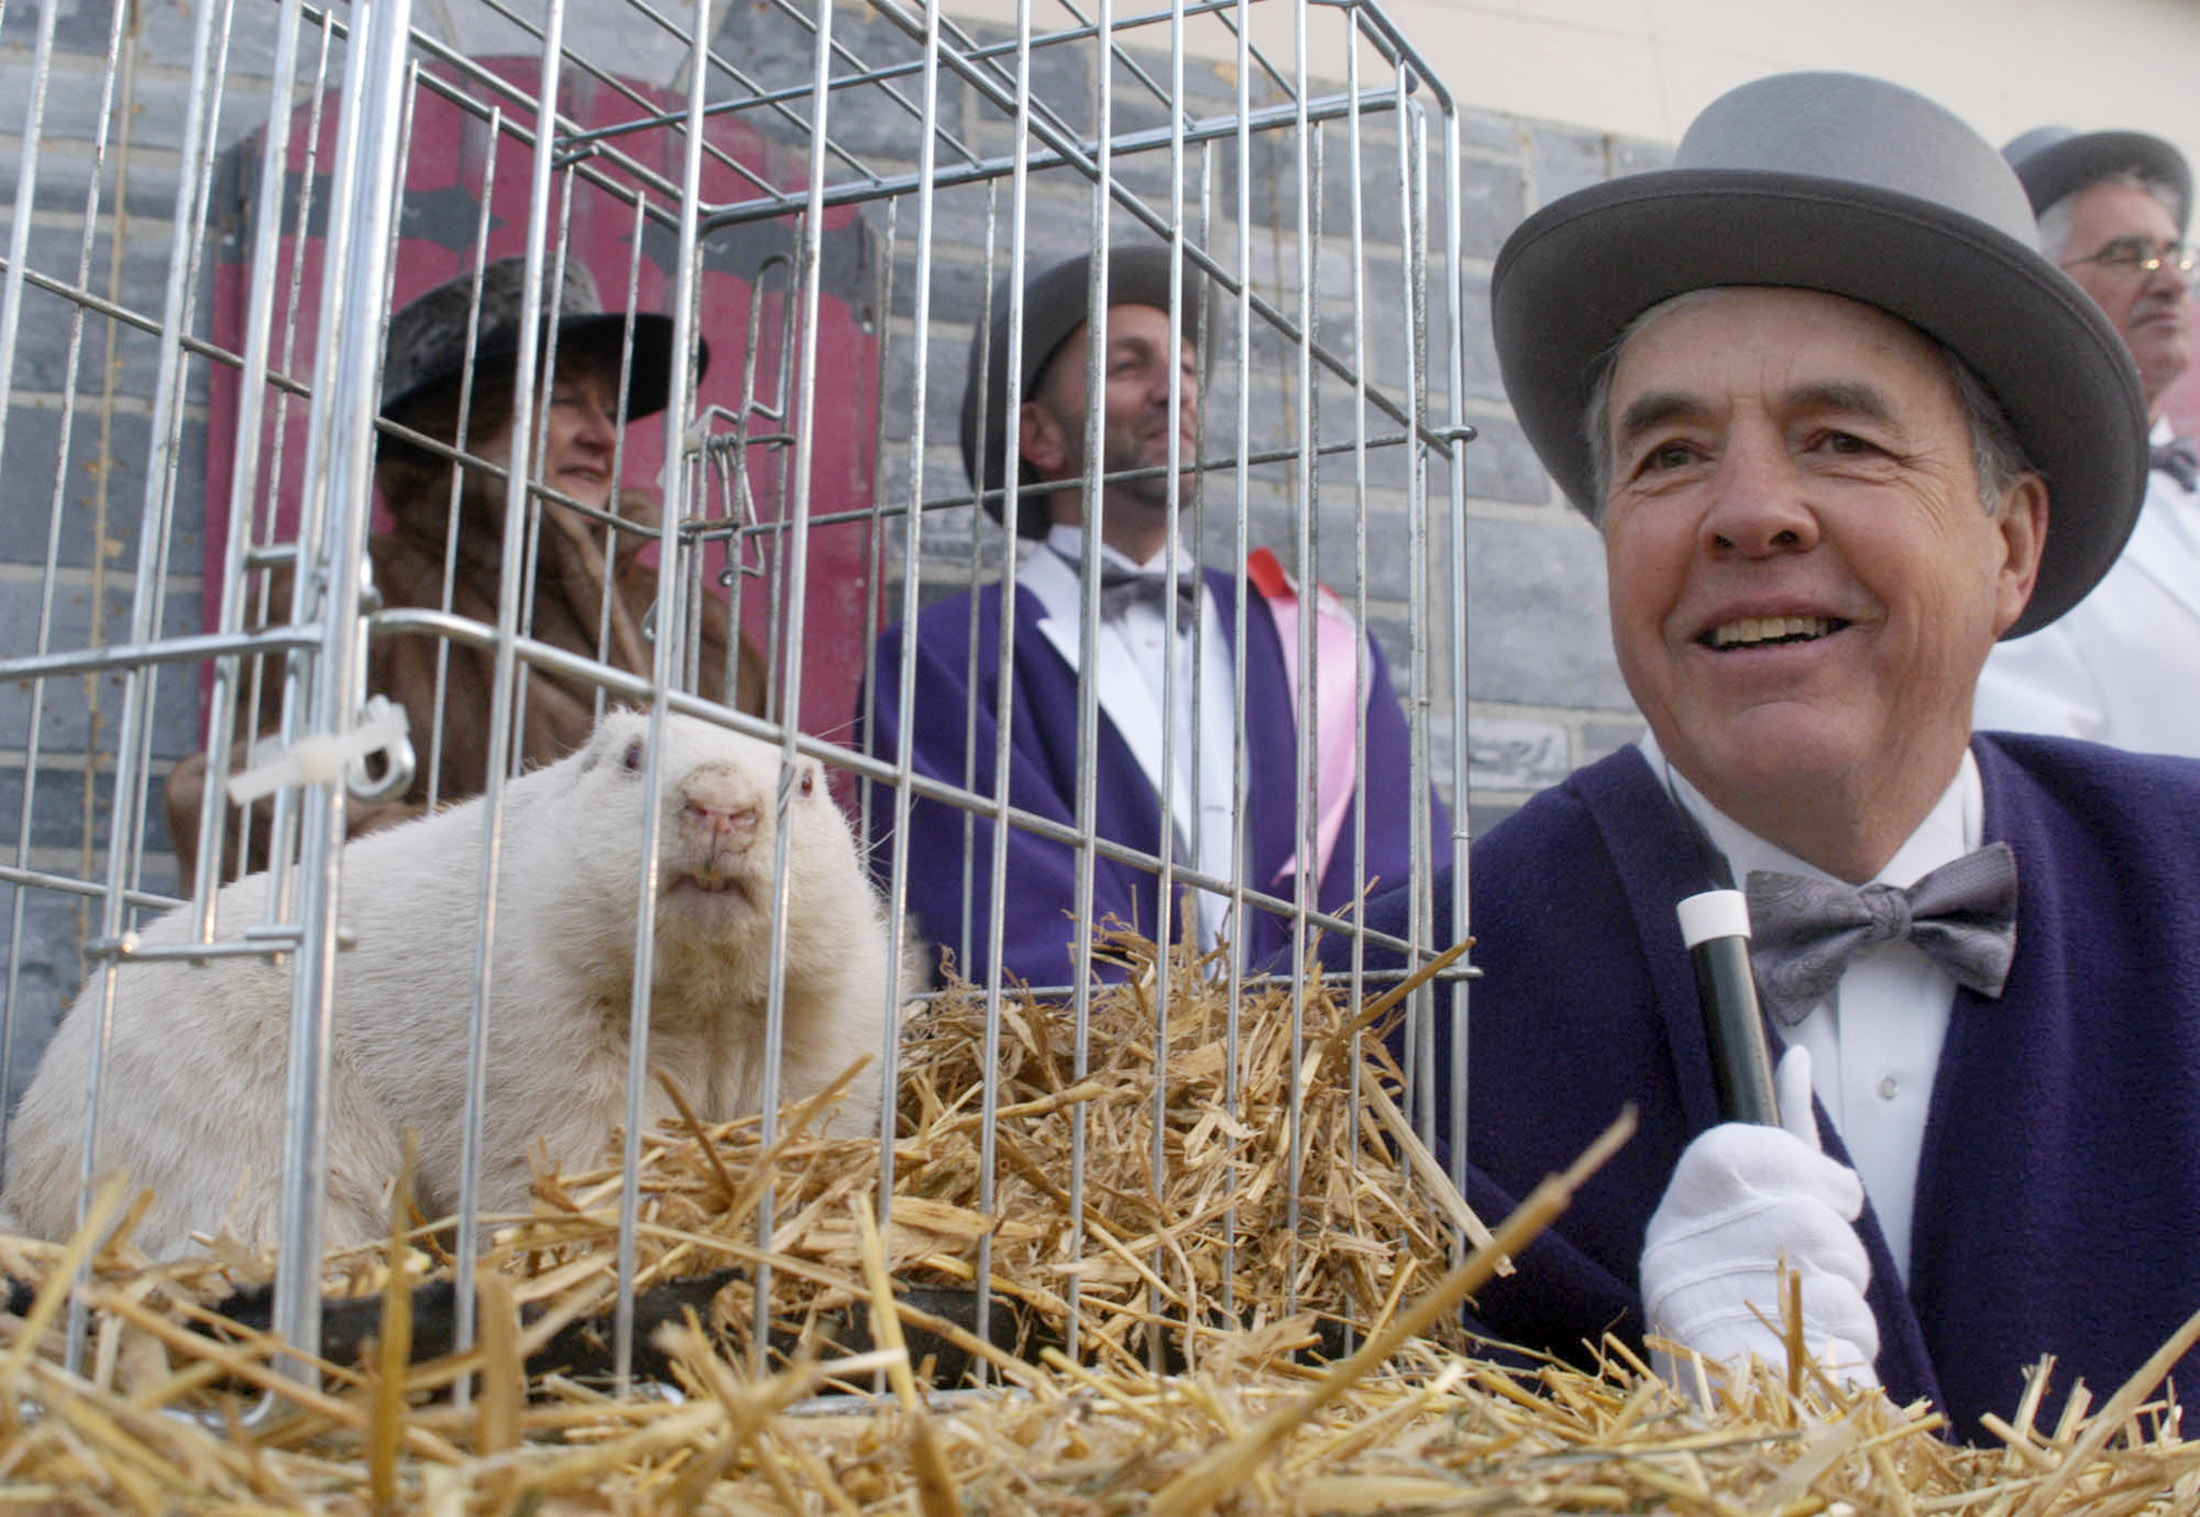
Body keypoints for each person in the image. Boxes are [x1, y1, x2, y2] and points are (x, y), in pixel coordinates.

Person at [1329, 72, 2200, 1442]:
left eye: (1839, 440)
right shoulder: (1390, 1017)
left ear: (2010, 546)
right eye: (1670, 455)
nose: (1748, 513)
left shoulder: (2187, 886)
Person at [860, 247, 1442, 987]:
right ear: (1039, 436)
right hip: (1092, 1061)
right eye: (1129, 366)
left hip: (1326, 1055)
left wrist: (1318, 1030)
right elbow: (998, 917)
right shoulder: (940, 661)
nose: (1178, 392)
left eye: (1188, 369)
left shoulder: (1312, 642)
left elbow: (1400, 879)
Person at [166, 255, 765, 881]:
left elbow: (785, 838)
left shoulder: (696, 629)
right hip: (424, 947)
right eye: (561, 399)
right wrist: (524, 870)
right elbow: (259, 796)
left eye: (612, 410)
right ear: (458, 420)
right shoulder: (355, 595)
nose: (603, 435)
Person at [1973, 126, 2200, 753]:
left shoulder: (2183, 485)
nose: (2171, 282)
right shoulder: (2014, 529)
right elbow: (2037, 773)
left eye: (2175, 256)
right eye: (2128, 256)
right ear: (2042, 296)